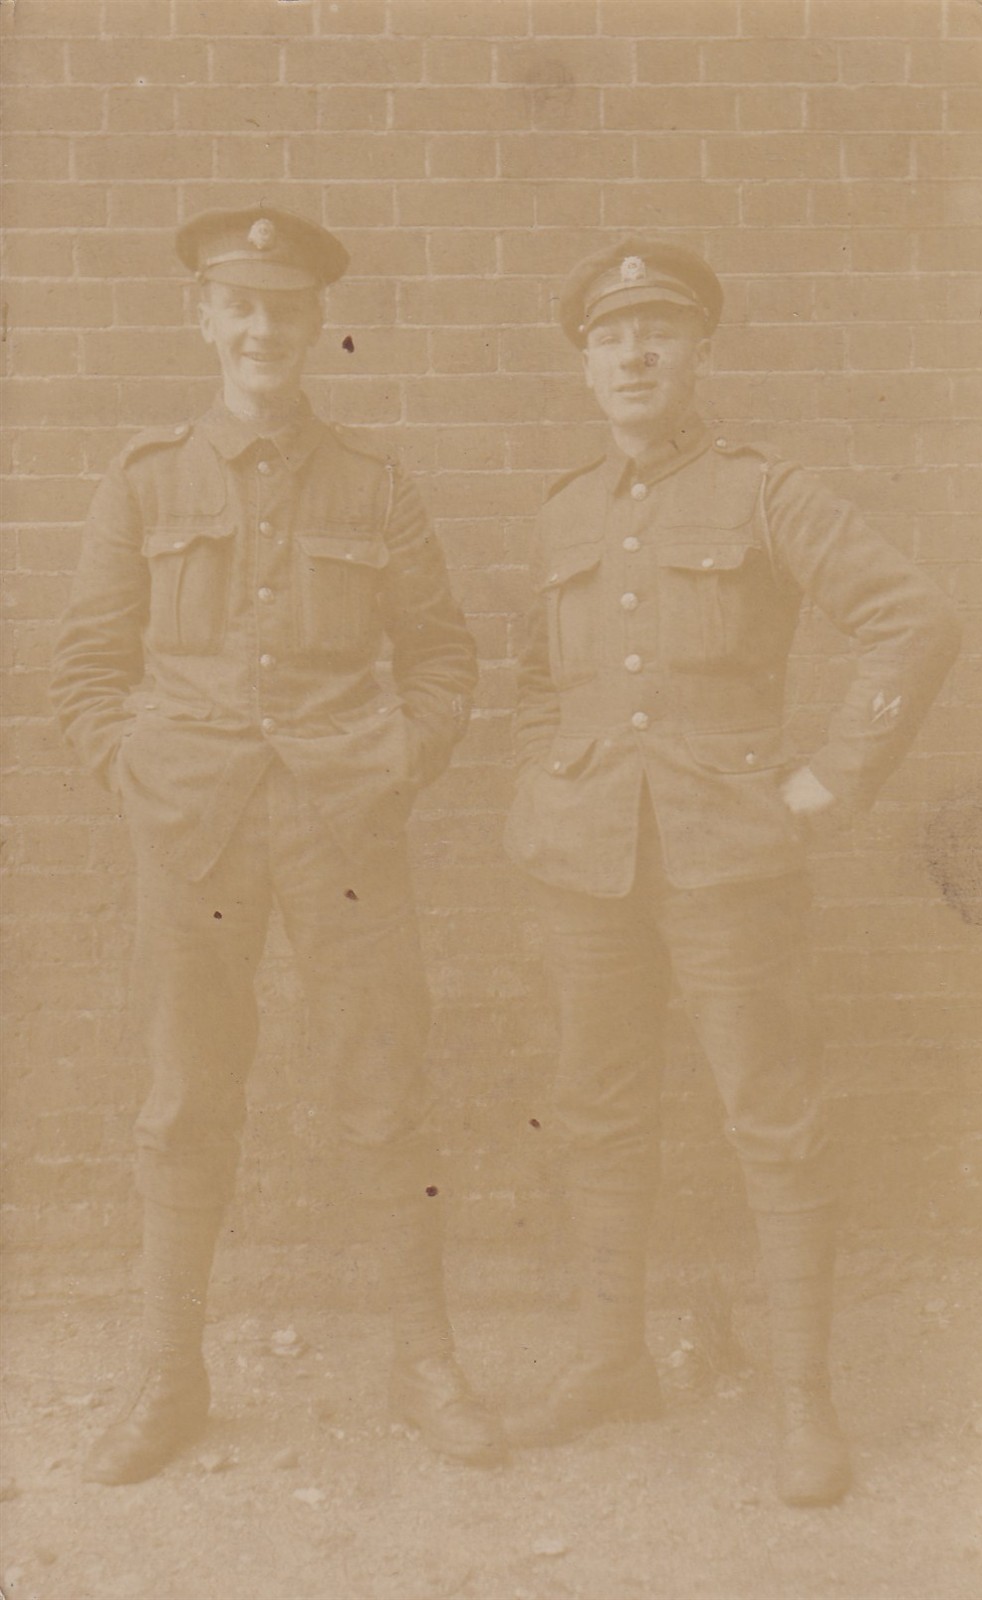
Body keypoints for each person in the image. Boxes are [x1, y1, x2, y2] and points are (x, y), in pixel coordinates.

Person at [503, 237, 961, 1505]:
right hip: (585, 866)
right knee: (596, 1109)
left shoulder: (769, 492)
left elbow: (913, 617)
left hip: (728, 863)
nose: (633, 353)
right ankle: (610, 1359)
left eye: (658, 331)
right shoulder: (560, 511)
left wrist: (832, 778)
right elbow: (540, 681)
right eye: (610, 336)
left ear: (697, 352)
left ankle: (804, 1399)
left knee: (772, 1118)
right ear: (586, 363)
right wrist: (551, 780)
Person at [50, 205, 504, 1484]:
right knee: (185, 1095)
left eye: (285, 311)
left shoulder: (374, 483)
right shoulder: (144, 479)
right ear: (204, 319)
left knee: (383, 1086)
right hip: (192, 828)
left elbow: (443, 654)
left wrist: (398, 761)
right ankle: (166, 1375)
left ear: (316, 329)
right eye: (238, 306)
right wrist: (136, 770)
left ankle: (425, 1361)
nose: (262, 330)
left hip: (341, 821)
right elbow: (85, 667)